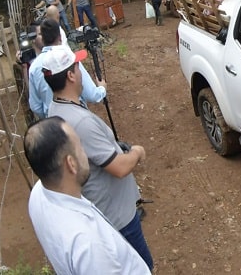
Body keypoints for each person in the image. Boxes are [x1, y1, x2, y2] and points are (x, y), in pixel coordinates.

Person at [44, 43, 155, 270]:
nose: (81, 70)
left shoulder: (55, 109)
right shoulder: (81, 121)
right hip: (118, 216)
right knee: (141, 266)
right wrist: (137, 152)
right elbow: (119, 168)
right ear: (71, 76)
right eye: (78, 66)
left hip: (103, 209)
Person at [24, 116, 151, 275]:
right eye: (80, 147)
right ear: (71, 163)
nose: (86, 153)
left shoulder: (38, 195)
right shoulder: (90, 246)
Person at [29, 18, 106, 119]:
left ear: (43, 39)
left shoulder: (33, 68)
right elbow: (92, 95)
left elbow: (35, 106)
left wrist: (48, 116)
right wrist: (102, 88)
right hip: (76, 117)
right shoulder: (68, 57)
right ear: (60, 37)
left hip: (52, 123)